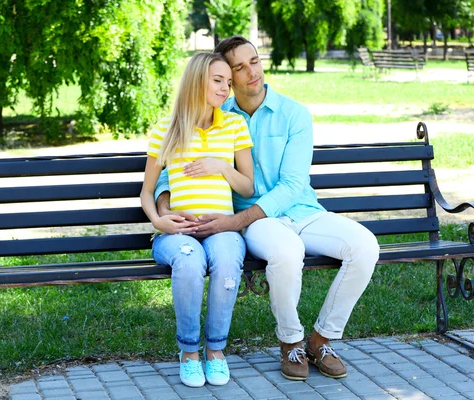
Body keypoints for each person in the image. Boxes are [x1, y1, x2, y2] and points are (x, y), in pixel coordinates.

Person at [155, 36, 380, 382]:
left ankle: (321, 339)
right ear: (225, 77)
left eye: (254, 61)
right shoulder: (215, 114)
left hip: (301, 211)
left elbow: (291, 185)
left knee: (365, 247)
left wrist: (232, 221)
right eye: (239, 68)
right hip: (257, 224)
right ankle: (291, 341)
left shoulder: (294, 114)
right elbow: (173, 168)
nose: (251, 72)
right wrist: (165, 208)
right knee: (287, 252)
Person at [140, 52, 254, 388]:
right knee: (190, 262)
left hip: (221, 227)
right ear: (196, 81)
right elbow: (146, 193)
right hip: (178, 232)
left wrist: (221, 166)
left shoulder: (234, 125)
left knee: (227, 258)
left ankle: (216, 351)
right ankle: (189, 352)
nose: (225, 89)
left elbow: (247, 185)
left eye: (228, 83)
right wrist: (159, 222)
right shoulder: (166, 129)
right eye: (217, 80)